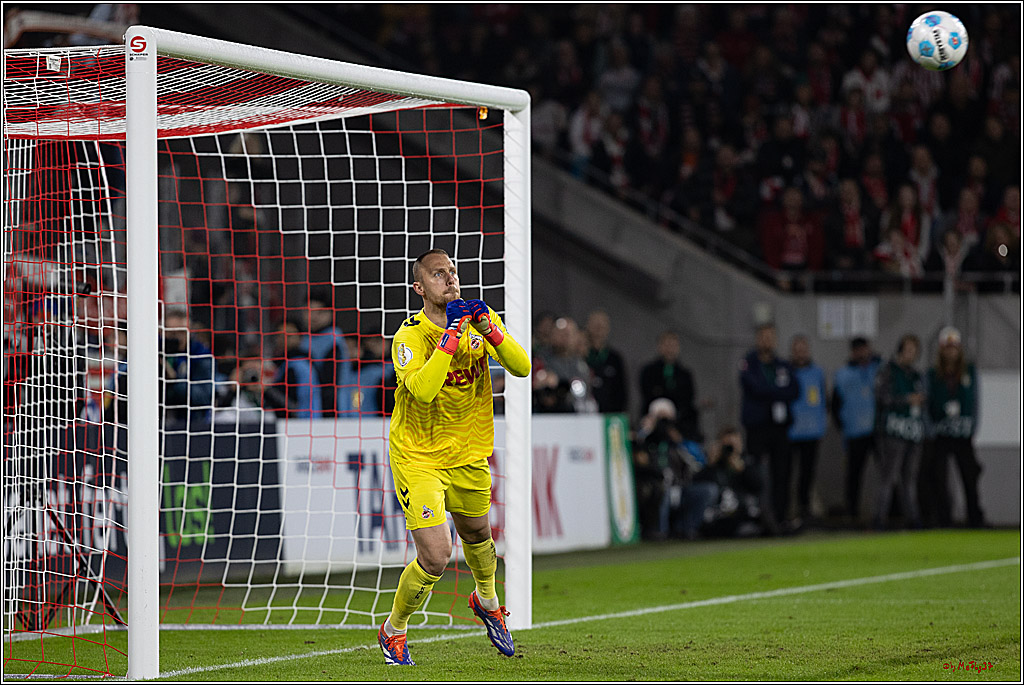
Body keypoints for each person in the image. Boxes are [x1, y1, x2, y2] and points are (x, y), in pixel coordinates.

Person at [379, 248, 530, 665]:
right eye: (437, 274)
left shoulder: (480, 321)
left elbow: (521, 367)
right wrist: (450, 336)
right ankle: (394, 630)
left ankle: (487, 601)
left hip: (468, 453)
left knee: (478, 534)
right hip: (419, 456)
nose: (449, 279)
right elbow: (424, 391)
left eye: (452, 272)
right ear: (419, 287)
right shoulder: (409, 338)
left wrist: (490, 330)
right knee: (436, 555)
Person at [921, 327, 986, 528]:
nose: (951, 352)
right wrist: (930, 429)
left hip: (963, 434)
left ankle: (975, 518)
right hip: (940, 434)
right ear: (941, 350)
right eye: (947, 348)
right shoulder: (932, 375)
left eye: (954, 347)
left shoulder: (970, 372)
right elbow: (925, 403)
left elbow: (975, 402)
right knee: (939, 478)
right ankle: (943, 519)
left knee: (970, 477)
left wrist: (973, 427)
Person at [739, 322, 800, 534]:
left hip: (780, 428)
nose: (767, 341)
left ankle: (780, 519)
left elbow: (794, 390)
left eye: (771, 337)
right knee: (756, 474)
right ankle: (758, 518)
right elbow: (754, 388)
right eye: (764, 336)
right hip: (757, 427)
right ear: (758, 339)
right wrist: (776, 391)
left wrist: (770, 391)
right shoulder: (748, 363)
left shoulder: (782, 365)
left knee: (782, 474)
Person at [873, 333, 925, 530]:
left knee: (909, 479)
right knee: (888, 477)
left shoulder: (916, 376)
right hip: (893, 431)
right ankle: (879, 518)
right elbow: (882, 397)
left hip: (913, 431)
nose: (911, 354)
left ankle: (913, 518)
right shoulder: (888, 372)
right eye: (908, 350)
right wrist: (906, 400)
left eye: (914, 351)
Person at [831, 337, 881, 525]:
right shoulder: (843, 374)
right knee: (854, 474)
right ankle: (852, 511)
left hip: (878, 431)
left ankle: (893, 510)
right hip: (854, 431)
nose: (862, 353)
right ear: (852, 352)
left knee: (888, 473)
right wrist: (842, 425)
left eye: (864, 349)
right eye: (858, 350)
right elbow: (835, 404)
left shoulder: (880, 369)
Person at [787, 334, 827, 524]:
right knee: (787, 475)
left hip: (812, 432)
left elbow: (823, 399)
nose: (800, 353)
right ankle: (787, 512)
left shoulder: (817, 372)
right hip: (790, 433)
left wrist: (821, 425)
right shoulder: (786, 371)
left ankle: (805, 510)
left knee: (807, 475)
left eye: (803, 349)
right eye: (797, 349)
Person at [696, 426, 764, 538]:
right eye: (727, 445)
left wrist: (742, 469)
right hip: (719, 514)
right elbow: (699, 484)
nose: (730, 450)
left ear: (740, 444)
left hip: (742, 513)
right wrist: (710, 464)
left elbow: (759, 486)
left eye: (733, 445)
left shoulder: (748, 463)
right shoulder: (715, 465)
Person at [640, 331, 702, 442]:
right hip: (653, 418)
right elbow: (647, 393)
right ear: (659, 346)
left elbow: (688, 399)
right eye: (666, 345)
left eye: (673, 345)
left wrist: (674, 415)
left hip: (679, 421)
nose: (669, 349)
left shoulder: (685, 374)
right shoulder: (649, 371)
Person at [584, 310, 628, 413]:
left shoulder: (615, 358)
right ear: (587, 327)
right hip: (584, 413)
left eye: (602, 326)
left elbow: (621, 390)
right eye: (595, 325)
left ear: (607, 329)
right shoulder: (581, 356)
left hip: (609, 413)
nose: (598, 329)